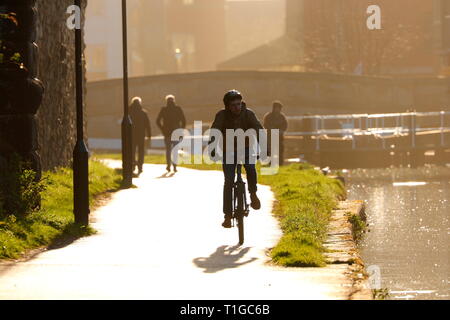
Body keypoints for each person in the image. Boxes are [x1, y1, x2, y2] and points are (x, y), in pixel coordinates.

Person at [210, 90, 263, 228]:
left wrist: (265, 147)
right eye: (233, 105)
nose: (237, 107)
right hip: (228, 150)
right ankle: (227, 216)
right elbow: (215, 131)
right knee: (228, 181)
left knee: (251, 168)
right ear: (227, 106)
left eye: (239, 104)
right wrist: (213, 148)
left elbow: (258, 129)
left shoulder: (248, 114)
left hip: (246, 148)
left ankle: (253, 194)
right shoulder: (221, 115)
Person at [156, 94, 186, 172]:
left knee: (168, 150)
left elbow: (157, 121)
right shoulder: (178, 109)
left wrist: (163, 129)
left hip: (167, 133)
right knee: (175, 150)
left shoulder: (164, 109)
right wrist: (181, 129)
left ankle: (168, 166)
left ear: (166, 101)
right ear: (174, 100)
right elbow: (183, 120)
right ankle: (175, 166)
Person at [129, 97, 151, 175]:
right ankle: (140, 166)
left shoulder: (129, 112)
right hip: (141, 135)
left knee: (132, 151)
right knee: (141, 151)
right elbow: (147, 125)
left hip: (131, 135)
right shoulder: (143, 113)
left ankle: (133, 164)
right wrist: (149, 135)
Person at [263, 101, 288, 166]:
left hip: (279, 137)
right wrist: (271, 129)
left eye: (279, 108)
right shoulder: (268, 116)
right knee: (270, 151)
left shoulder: (282, 117)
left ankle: (280, 164)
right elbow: (265, 125)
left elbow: (285, 125)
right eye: (276, 107)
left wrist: (281, 131)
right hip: (270, 137)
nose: (278, 109)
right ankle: (270, 163)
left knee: (280, 151)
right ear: (273, 108)